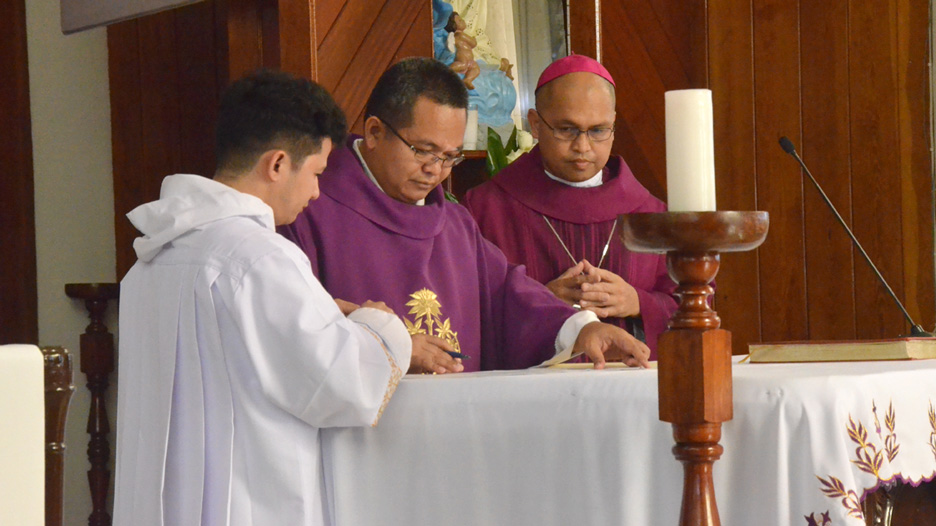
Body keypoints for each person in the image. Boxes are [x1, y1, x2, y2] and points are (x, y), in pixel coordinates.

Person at [113, 70, 412, 526]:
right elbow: (343, 382)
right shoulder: (259, 258)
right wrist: (379, 325)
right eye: (315, 173)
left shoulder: (149, 263)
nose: (316, 192)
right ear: (277, 164)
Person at [279, 57, 649, 374]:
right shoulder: (309, 212)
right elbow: (291, 326)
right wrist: (387, 347)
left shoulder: (454, 224)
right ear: (375, 131)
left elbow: (507, 294)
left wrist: (582, 330)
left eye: (449, 156)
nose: (435, 170)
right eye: (424, 151)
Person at [462, 55, 677, 357]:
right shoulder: (486, 209)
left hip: (630, 388)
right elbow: (462, 309)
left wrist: (638, 302)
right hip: (529, 394)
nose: (583, 147)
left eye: (599, 130)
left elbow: (691, 305)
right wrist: (541, 301)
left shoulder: (651, 214)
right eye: (566, 129)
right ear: (535, 124)